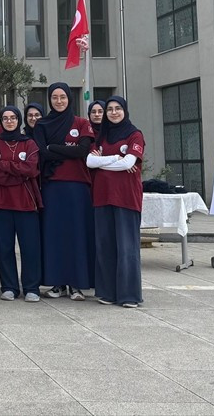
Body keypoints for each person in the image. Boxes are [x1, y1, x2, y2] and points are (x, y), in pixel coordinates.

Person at [32, 81, 96, 301]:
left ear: (69, 98)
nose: (59, 101)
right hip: (52, 186)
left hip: (78, 187)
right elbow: (41, 153)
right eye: (54, 97)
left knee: (77, 234)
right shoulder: (42, 124)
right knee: (54, 235)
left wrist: (54, 148)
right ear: (49, 99)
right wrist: (67, 149)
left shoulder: (81, 122)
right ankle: (57, 283)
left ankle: (77, 284)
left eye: (63, 97)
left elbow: (83, 151)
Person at [86, 96, 145, 308]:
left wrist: (104, 163)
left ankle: (129, 295)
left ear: (125, 111)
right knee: (105, 246)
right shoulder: (102, 136)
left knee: (127, 248)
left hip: (126, 198)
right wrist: (115, 160)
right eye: (109, 109)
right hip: (102, 197)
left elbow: (130, 162)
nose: (113, 112)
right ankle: (108, 292)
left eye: (117, 108)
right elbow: (90, 162)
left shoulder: (135, 135)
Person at [0, 107, 44, 303]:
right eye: (5, 118)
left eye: (13, 118)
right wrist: (18, 174)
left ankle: (31, 287)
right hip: (0, 203)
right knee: (4, 247)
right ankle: (9, 286)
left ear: (19, 120)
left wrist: (6, 166)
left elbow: (31, 169)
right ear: (1, 121)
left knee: (30, 248)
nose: (9, 121)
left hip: (26, 203)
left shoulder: (30, 144)